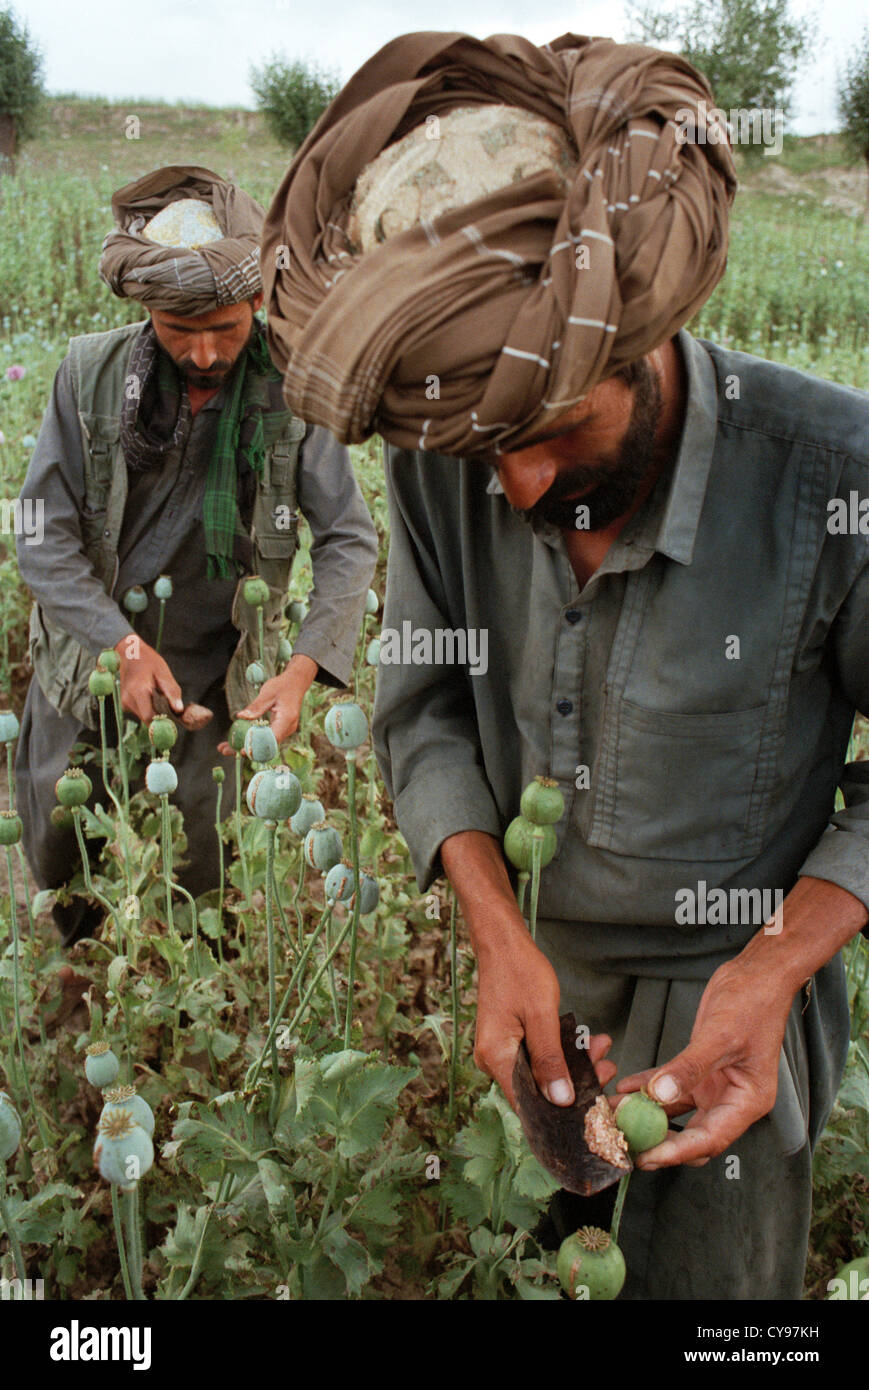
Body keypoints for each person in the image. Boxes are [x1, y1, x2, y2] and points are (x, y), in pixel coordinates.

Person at [259, 32, 869, 1299]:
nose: (518, 487)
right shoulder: (449, 446)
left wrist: (768, 972)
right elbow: (419, 707)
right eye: (486, 452)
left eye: (546, 432)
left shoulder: (832, 474)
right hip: (532, 996)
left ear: (645, 331)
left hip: (728, 1009)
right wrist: (496, 936)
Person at [15, 165, 378, 951]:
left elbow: (348, 537)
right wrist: (123, 645)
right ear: (146, 310)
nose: (206, 353)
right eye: (181, 333)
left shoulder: (294, 390)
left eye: (225, 328)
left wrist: (305, 667)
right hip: (95, 657)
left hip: (221, 671)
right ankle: (79, 988)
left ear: (257, 301)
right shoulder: (89, 374)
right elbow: (40, 532)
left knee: (202, 870)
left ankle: (185, 1017)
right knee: (65, 843)